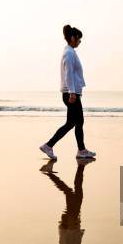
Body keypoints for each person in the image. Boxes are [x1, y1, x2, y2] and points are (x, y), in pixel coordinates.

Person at [40, 25, 96, 160]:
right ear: (72, 38)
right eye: (79, 39)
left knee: (73, 123)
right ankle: (76, 150)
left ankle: (74, 149)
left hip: (72, 93)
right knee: (77, 122)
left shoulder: (70, 51)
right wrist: (72, 93)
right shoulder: (69, 53)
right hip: (71, 94)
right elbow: (68, 74)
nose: (80, 42)